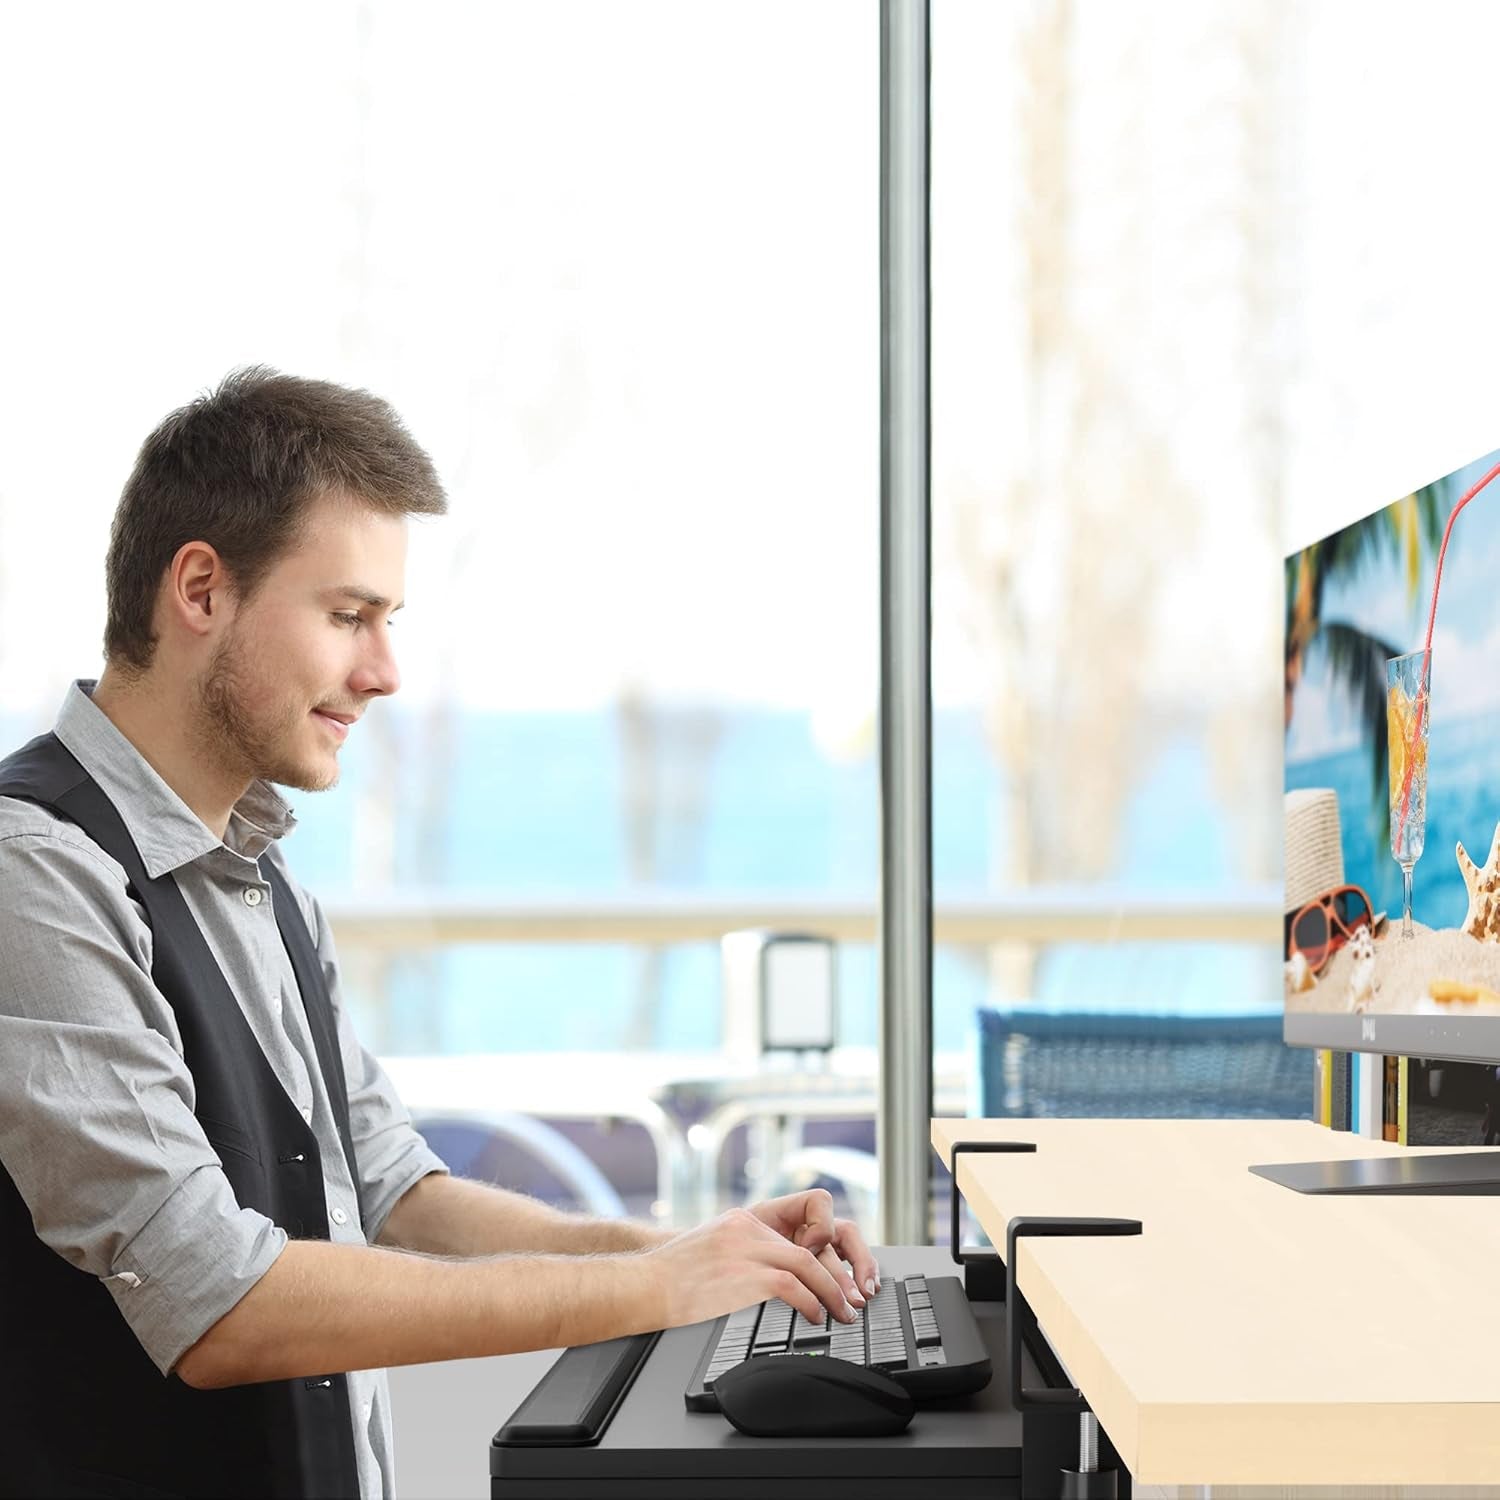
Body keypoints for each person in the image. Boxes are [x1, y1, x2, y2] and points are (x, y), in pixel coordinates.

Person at [0, 368, 878, 1499]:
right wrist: (655, 1296)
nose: (385, 672)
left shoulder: (259, 877)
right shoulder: (38, 870)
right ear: (202, 591)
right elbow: (213, 1299)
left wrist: (699, 1254)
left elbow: (395, 1196)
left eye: (389, 622)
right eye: (348, 615)